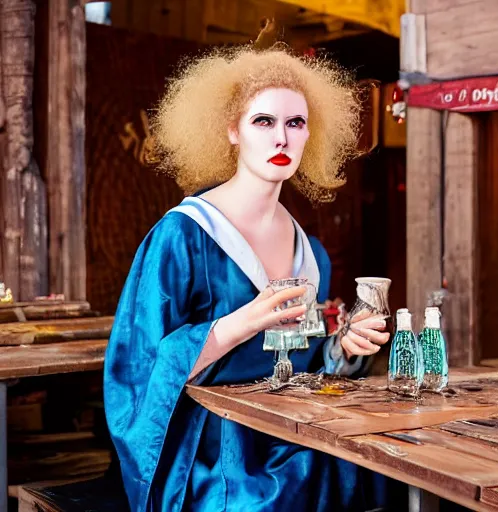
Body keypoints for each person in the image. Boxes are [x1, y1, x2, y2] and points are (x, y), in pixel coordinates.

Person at [104, 42, 393, 512]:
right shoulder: (183, 235)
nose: (281, 138)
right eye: (264, 121)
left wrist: (341, 347)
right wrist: (246, 320)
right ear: (232, 130)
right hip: (213, 449)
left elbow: (301, 363)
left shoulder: (310, 251)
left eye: (295, 123)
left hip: (294, 429)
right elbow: (138, 371)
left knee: (373, 472)